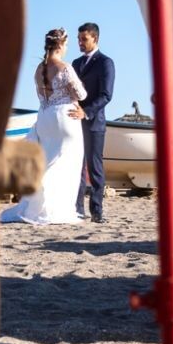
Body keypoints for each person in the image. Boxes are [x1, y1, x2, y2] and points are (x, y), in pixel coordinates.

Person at [1, 28, 86, 225]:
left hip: (44, 117)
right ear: (61, 45)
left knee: (49, 159)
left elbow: (42, 96)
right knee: (65, 163)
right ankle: (55, 207)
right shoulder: (64, 68)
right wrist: (73, 97)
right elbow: (81, 94)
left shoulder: (39, 69)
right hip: (65, 117)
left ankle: (38, 204)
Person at [71, 22, 114, 222]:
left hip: (94, 122)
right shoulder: (75, 63)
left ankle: (97, 212)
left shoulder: (106, 63)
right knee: (76, 166)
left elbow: (106, 95)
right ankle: (77, 209)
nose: (79, 42)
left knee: (94, 167)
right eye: (78, 39)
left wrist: (86, 112)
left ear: (95, 39)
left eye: (83, 39)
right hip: (73, 122)